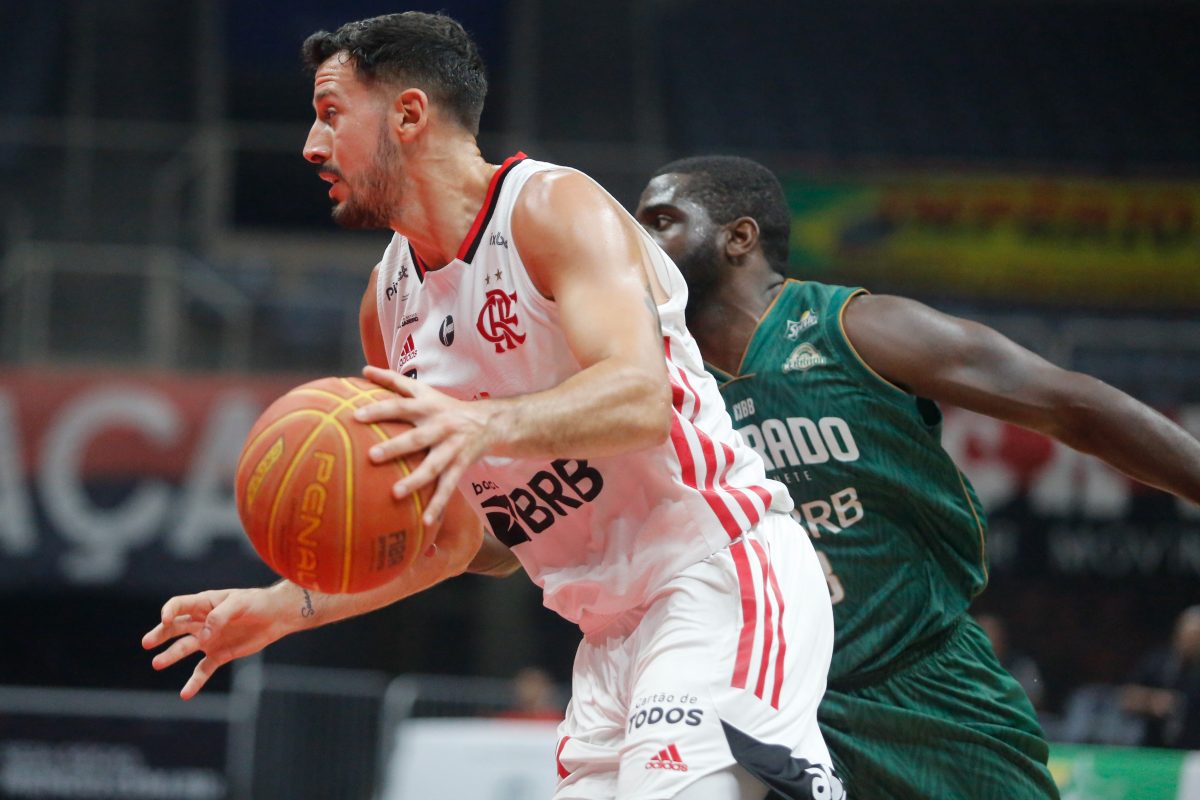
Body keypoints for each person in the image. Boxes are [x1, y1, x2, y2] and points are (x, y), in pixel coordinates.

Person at [142, 14, 842, 800]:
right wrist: (284, 606)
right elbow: (454, 543)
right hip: (608, 641)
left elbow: (641, 397)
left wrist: (478, 425)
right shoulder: (388, 304)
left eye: (331, 113)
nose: (310, 144)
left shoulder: (550, 208)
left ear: (409, 115)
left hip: (718, 576)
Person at [633, 155, 1200, 799]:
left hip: (928, 683)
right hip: (776, 703)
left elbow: (1072, 406)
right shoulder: (658, 385)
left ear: (739, 238)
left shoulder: (853, 330)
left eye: (661, 221)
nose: (635, 241)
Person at [1120, 605, 1200, 749]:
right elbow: (1126, 698)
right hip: (1154, 749)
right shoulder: (1157, 662)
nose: (1191, 641)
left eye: (1197, 637)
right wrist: (1152, 701)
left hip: (1193, 752)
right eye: (1188, 635)